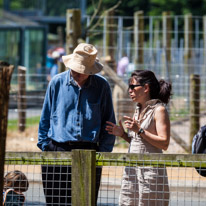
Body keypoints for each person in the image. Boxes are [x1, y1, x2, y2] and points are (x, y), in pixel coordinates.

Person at [37, 43, 116, 205]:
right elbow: (45, 117)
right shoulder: (56, 83)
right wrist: (45, 145)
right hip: (57, 149)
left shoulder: (102, 86)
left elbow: (109, 121)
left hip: (89, 151)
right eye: (76, 69)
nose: (78, 74)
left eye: (83, 71)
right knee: (56, 202)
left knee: (86, 201)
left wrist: (103, 152)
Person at [106, 70, 172, 206]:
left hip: (150, 172)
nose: (129, 91)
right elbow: (140, 142)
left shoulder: (159, 110)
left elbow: (164, 143)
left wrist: (140, 130)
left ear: (146, 88)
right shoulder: (138, 109)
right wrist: (123, 134)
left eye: (132, 87)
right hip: (132, 170)